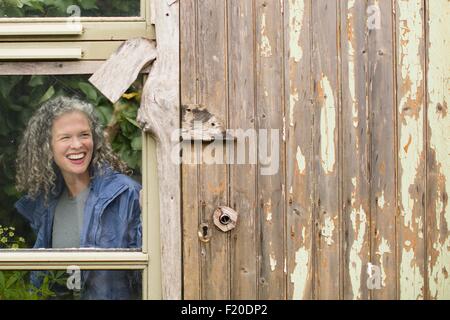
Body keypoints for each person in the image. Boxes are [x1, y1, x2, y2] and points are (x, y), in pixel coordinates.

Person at [14, 96, 142, 300]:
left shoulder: (125, 194)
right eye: (65, 137)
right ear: (47, 146)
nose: (77, 145)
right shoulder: (48, 201)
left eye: (84, 134)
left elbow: (146, 279)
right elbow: (43, 282)